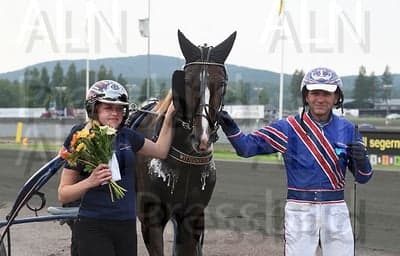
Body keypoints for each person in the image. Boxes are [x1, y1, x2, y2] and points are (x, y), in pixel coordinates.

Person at [217, 67, 373, 256]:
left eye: (327, 93)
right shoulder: (287, 127)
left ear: (336, 97)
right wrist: (231, 127)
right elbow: (246, 148)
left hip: (336, 209)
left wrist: (362, 159)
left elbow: (363, 178)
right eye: (315, 93)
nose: (320, 99)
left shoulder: (349, 129)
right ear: (306, 96)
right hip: (300, 209)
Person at [58, 80, 175, 256]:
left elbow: (161, 151)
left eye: (119, 108)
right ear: (94, 109)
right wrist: (90, 182)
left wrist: (169, 118)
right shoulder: (81, 137)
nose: (115, 113)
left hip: (126, 226)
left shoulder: (128, 136)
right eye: (108, 108)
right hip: (93, 226)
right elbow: (63, 193)